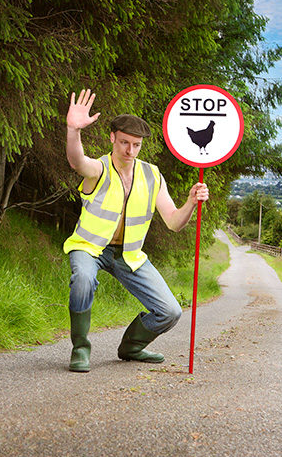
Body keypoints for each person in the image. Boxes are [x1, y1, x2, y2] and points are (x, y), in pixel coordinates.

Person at [63, 89, 209, 372]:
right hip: (90, 247)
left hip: (128, 255)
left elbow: (174, 223)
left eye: (137, 145)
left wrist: (191, 203)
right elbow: (77, 161)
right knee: (82, 278)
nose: (130, 151)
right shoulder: (100, 168)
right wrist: (73, 130)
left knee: (170, 312)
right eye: (124, 143)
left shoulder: (152, 175)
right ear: (112, 139)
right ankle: (80, 348)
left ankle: (131, 347)